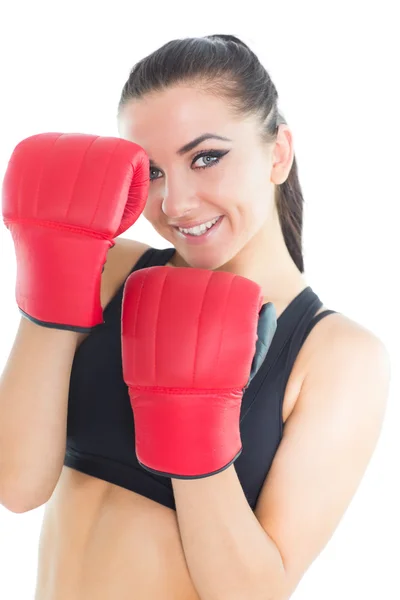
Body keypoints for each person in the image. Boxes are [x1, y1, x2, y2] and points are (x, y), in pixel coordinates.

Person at [0, 34, 390, 600]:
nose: (176, 203)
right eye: (152, 172)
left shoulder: (336, 354)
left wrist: (194, 439)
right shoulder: (110, 268)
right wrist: (50, 280)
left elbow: (254, 594)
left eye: (206, 157)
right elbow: (16, 484)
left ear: (278, 153)